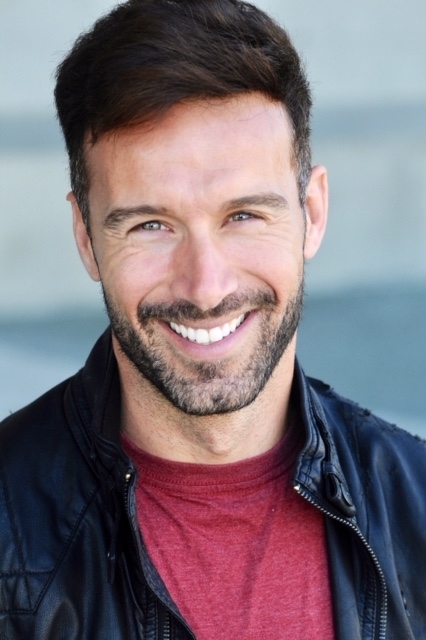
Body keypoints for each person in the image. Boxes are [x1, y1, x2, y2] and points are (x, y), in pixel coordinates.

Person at [0, 0, 424, 638]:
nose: (206, 287)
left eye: (243, 216)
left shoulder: (417, 506)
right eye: (151, 225)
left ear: (312, 213)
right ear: (86, 238)